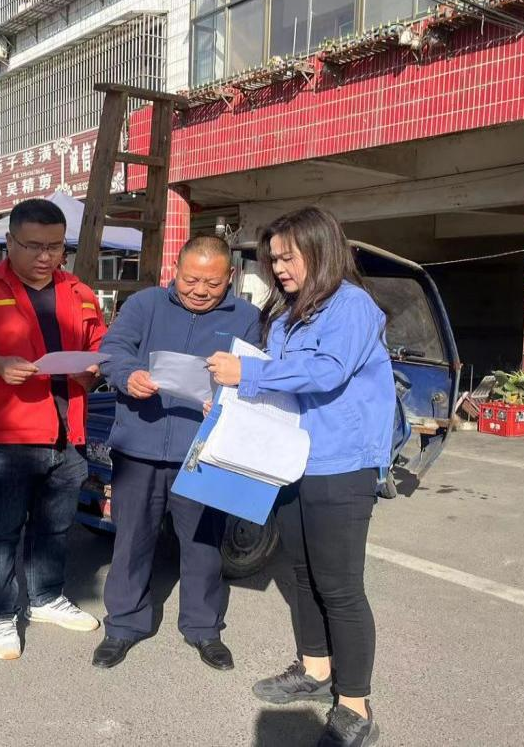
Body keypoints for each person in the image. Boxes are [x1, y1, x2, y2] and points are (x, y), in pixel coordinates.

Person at [206, 207, 394, 747]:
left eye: (288, 258)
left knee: (340, 585)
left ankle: (354, 705)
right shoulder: (289, 315)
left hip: (342, 463)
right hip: (291, 459)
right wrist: (230, 399)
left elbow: (326, 370)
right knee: (304, 573)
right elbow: (279, 387)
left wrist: (248, 372)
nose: (279, 269)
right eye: (273, 260)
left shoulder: (351, 306)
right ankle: (314, 669)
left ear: (320, 250)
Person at [0, 198, 107, 661]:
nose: (46, 257)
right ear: (9, 242)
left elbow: (99, 344)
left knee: (56, 525)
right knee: (0, 530)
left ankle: (47, 596)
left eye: (56, 246)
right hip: (9, 435)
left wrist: (94, 369)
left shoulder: (80, 292)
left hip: (69, 431)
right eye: (33, 246)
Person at [92, 236, 260, 671]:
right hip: (139, 446)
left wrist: (228, 397)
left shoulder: (245, 318)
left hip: (204, 452)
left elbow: (256, 376)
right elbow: (111, 351)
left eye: (212, 283)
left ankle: (204, 628)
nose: (200, 290)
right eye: (191, 280)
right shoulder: (144, 304)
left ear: (230, 277)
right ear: (175, 270)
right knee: (131, 540)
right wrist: (128, 375)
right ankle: (123, 625)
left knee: (204, 546)